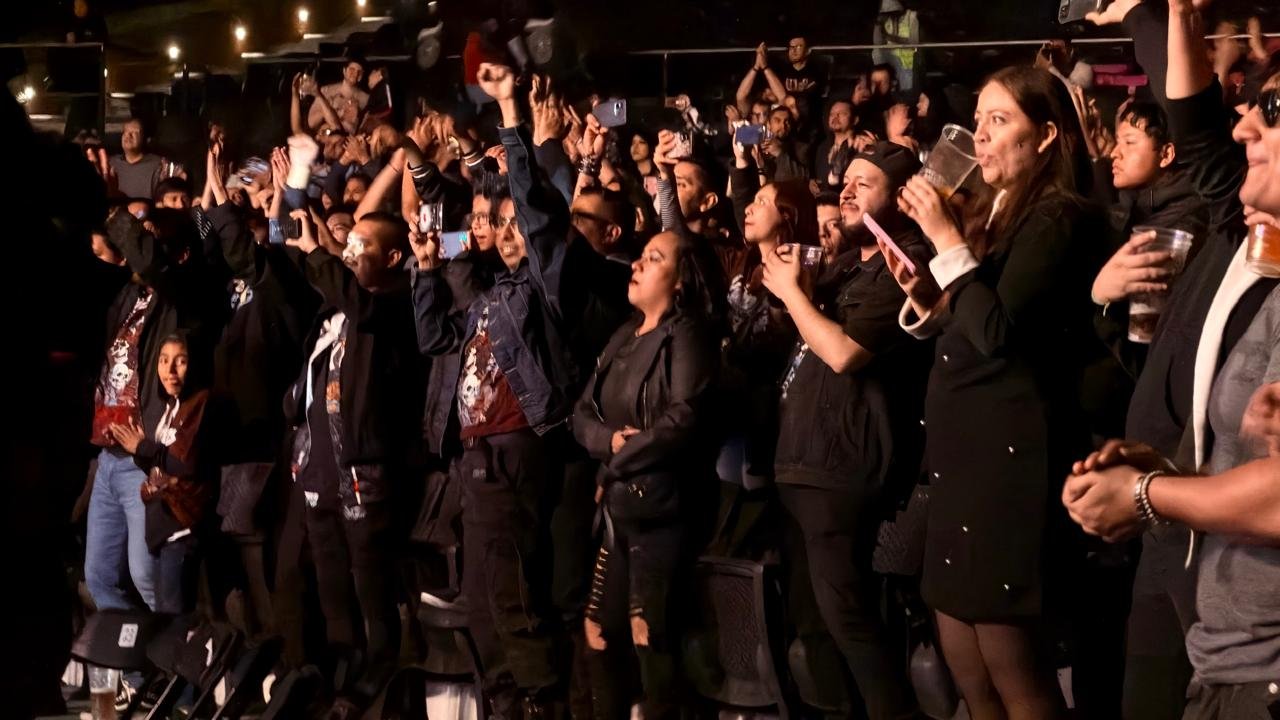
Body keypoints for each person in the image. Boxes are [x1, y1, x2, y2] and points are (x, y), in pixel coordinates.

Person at [1063, 0, 1280, 715]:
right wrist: (1164, 466)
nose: (1243, 126)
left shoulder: (1223, 221)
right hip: (1204, 580)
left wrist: (1145, 494)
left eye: (1272, 110)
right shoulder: (1248, 242)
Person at [887, 64, 1102, 720]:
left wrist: (946, 240)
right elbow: (970, 313)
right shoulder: (992, 209)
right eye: (978, 120)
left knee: (1014, 670)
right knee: (966, 665)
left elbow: (998, 331)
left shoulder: (1058, 216)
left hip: (1008, 465)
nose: (979, 135)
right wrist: (926, 291)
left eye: (999, 120)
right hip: (962, 458)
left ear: (1045, 136)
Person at [410, 63, 593, 717]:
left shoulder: (542, 291)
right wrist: (425, 270)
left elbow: (541, 224)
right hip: (476, 459)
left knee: (513, 599)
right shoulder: (493, 294)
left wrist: (513, 119)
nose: (507, 231)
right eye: (499, 223)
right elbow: (434, 337)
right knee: (485, 607)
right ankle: (506, 703)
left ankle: (540, 705)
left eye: (514, 223)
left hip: (515, 452)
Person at [761, 142, 932, 720]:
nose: (848, 190)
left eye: (866, 182)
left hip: (842, 469)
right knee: (818, 632)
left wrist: (793, 293)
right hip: (803, 463)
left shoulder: (902, 263)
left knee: (851, 623)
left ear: (902, 200)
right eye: (847, 181)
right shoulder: (844, 266)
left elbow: (843, 353)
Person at [279, 135, 423, 712]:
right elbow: (298, 248)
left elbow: (357, 301)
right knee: (332, 588)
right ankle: (339, 681)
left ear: (392, 259)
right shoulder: (335, 308)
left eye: (362, 246)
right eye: (350, 243)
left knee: (371, 590)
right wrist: (297, 186)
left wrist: (322, 252)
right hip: (320, 471)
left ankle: (377, 680)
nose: (351, 252)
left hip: (366, 477)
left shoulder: (394, 305)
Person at [573, 230, 720, 720]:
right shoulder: (624, 333)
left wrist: (618, 459)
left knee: (648, 633)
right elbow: (581, 413)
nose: (636, 264)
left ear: (680, 281)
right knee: (597, 630)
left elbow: (684, 417)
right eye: (640, 255)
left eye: (653, 258)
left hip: (661, 509)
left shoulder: (687, 333)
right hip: (619, 509)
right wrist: (611, 443)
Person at [108, 334, 210, 616]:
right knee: (166, 618)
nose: (170, 370)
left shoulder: (201, 402)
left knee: (173, 620)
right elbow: (162, 466)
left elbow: (185, 464)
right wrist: (139, 451)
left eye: (181, 361)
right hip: (164, 528)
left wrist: (143, 447)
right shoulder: (170, 408)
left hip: (182, 528)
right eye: (164, 361)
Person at [110, 119, 167, 201]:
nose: (128, 135)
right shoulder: (111, 163)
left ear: (145, 138)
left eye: (135, 132)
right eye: (125, 132)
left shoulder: (158, 164)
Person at [308, 59, 370, 134]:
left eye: (359, 72)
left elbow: (354, 128)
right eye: (352, 70)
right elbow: (312, 123)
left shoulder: (365, 98)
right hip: (323, 134)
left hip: (347, 137)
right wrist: (334, 112)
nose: (355, 74)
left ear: (361, 76)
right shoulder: (326, 91)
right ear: (344, 71)